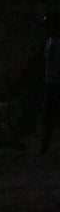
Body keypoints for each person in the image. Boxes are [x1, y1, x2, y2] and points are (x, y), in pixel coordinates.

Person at [41, 12, 60, 154]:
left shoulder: (54, 41)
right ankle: (45, 146)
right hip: (51, 81)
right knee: (48, 115)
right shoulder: (49, 40)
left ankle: (45, 146)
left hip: (55, 82)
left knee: (50, 115)